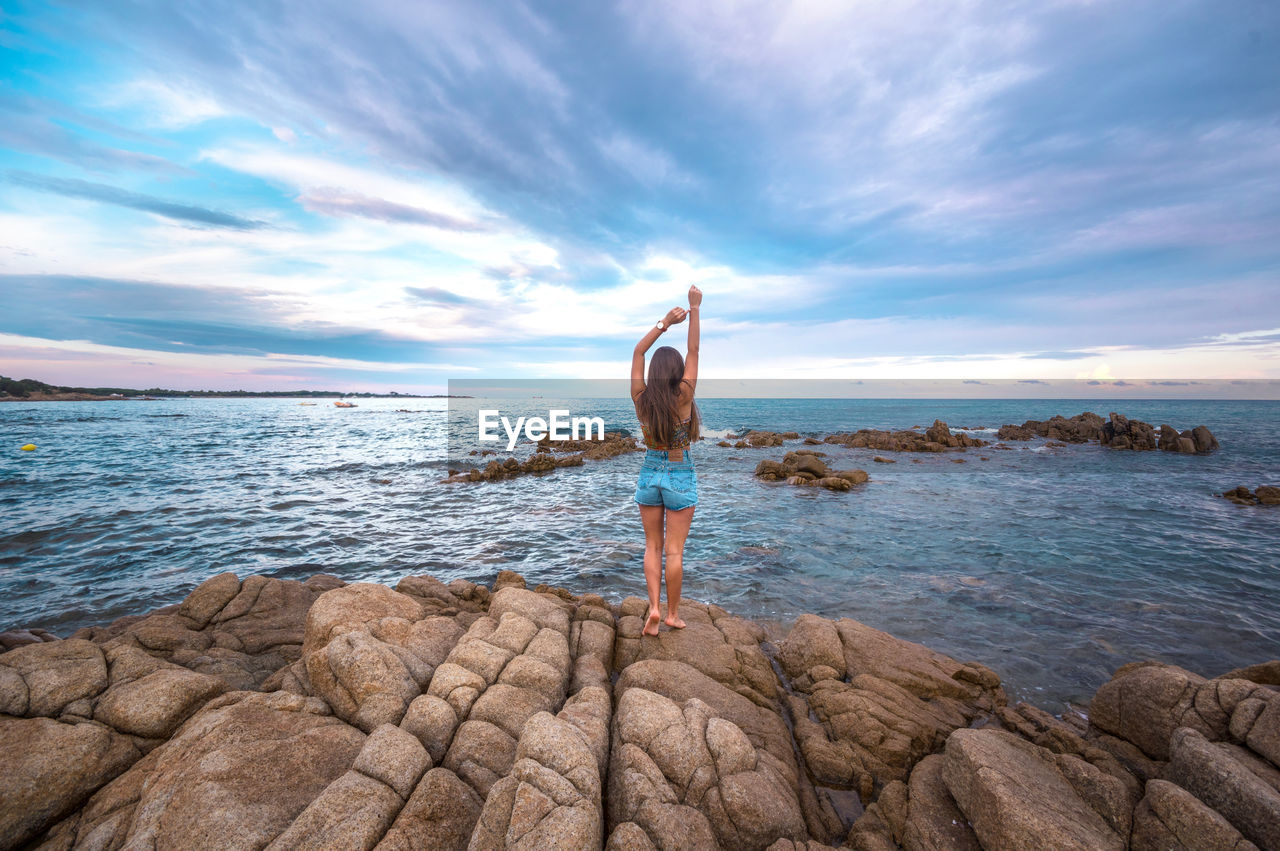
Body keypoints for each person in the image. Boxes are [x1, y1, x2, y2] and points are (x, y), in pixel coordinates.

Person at [631, 284, 702, 636]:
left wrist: (664, 323)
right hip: (679, 471)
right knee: (674, 551)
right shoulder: (685, 396)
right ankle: (672, 614)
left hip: (649, 471)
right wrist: (695, 308)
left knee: (652, 546)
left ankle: (654, 608)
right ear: (675, 372)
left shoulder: (641, 398)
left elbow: (638, 352)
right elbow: (694, 349)